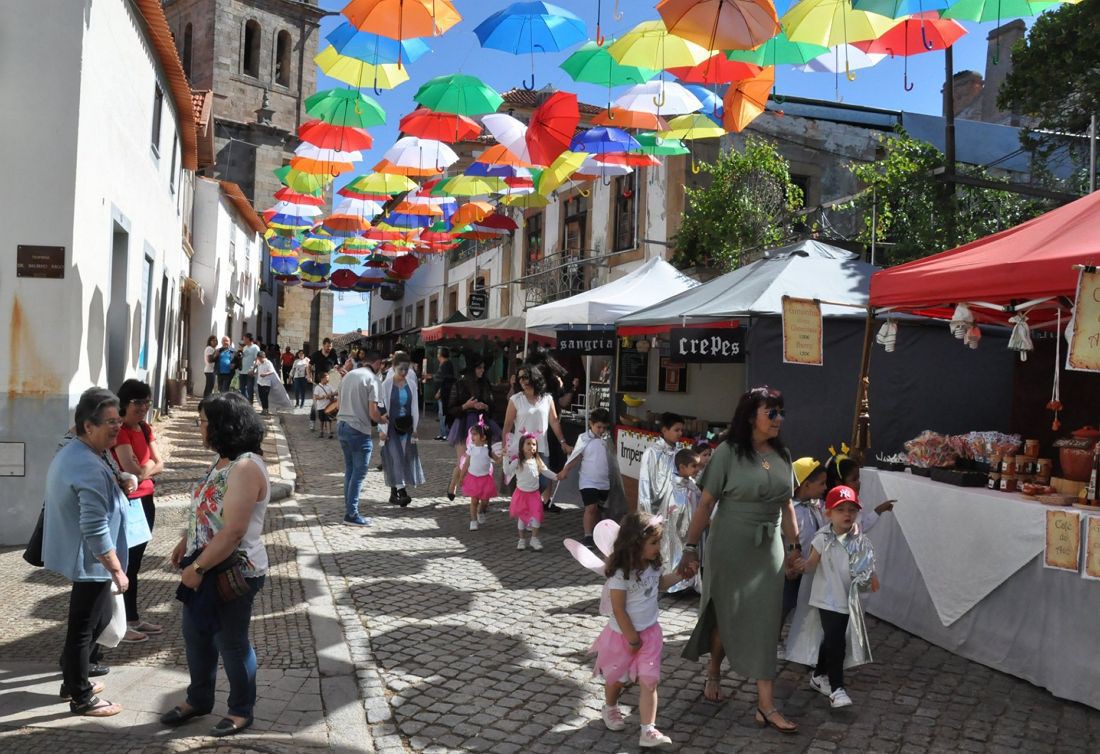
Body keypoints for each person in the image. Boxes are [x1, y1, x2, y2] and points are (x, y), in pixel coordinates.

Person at [677, 386, 801, 733]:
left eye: (780, 412)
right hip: (730, 543)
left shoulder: (783, 454)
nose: (778, 419)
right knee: (725, 611)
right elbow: (705, 504)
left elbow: (788, 505)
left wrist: (794, 549)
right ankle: (714, 668)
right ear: (751, 417)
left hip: (768, 548)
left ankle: (765, 705)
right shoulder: (727, 453)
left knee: (766, 621)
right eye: (771, 413)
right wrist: (689, 547)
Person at [161, 392, 269, 738]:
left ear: (223, 425)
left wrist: (199, 568)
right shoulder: (224, 460)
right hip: (206, 560)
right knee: (196, 635)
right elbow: (208, 511)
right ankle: (199, 699)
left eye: (203, 422)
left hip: (232, 569)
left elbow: (234, 531)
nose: (199, 428)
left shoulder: (246, 467)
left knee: (231, 643)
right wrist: (185, 541)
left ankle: (240, 710)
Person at [44, 388, 130, 717]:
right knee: (84, 628)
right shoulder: (88, 464)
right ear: (88, 425)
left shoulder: (80, 452)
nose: (116, 427)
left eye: (118, 420)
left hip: (87, 557)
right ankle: (80, 695)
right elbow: (94, 527)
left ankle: (73, 678)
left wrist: (119, 480)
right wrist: (116, 570)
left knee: (95, 620)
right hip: (92, 559)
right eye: (110, 421)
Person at [591, 512, 683, 749]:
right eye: (653, 543)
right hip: (623, 635)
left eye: (658, 542)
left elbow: (659, 585)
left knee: (649, 681)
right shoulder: (621, 573)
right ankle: (610, 707)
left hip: (650, 634)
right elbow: (619, 609)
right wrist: (632, 637)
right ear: (635, 544)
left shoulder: (652, 566)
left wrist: (680, 575)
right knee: (617, 679)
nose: (657, 547)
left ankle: (647, 730)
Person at [788, 485, 879, 709]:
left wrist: (871, 576)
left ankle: (819, 675)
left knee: (832, 639)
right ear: (828, 513)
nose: (847, 515)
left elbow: (865, 564)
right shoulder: (822, 538)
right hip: (826, 599)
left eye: (852, 510)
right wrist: (802, 566)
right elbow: (811, 564)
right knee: (836, 642)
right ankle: (837, 689)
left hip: (847, 598)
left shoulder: (859, 539)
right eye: (841, 510)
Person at [111, 379, 165, 643]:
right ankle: (120, 624)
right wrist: (146, 469)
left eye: (146, 401)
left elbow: (160, 462)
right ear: (124, 403)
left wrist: (143, 471)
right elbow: (130, 469)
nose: (143, 407)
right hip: (128, 503)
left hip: (146, 501)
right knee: (125, 564)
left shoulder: (145, 428)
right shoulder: (119, 431)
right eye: (137, 402)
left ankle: (132, 618)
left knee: (136, 564)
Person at [501, 364, 572, 510]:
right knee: (524, 480)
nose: (522, 381)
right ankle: (526, 508)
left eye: (525, 377)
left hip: (540, 446)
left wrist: (563, 441)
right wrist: (504, 446)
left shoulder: (547, 398)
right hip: (521, 448)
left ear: (534, 377)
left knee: (544, 481)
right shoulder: (516, 399)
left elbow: (553, 421)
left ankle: (526, 503)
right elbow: (507, 425)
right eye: (520, 378)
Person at [779, 457, 828, 655]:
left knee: (802, 604)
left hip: (808, 567)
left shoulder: (814, 507)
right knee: (784, 604)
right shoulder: (790, 511)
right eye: (821, 483)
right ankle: (773, 638)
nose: (825, 488)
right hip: (790, 568)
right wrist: (786, 564)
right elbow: (781, 539)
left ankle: (800, 641)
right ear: (806, 484)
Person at [336, 350, 385, 527]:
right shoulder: (373, 380)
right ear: (377, 363)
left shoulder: (348, 376)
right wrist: (382, 419)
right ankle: (352, 514)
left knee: (350, 470)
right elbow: (373, 413)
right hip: (358, 429)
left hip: (341, 425)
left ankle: (349, 509)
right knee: (358, 473)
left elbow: (339, 404)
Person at [558, 408, 613, 547]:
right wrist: (565, 470)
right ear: (591, 424)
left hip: (604, 481)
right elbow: (576, 457)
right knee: (591, 508)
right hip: (587, 480)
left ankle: (598, 534)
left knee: (599, 510)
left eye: (604, 427)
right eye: (598, 427)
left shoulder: (608, 440)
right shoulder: (584, 438)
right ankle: (588, 535)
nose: (601, 430)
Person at [445, 357, 497, 500]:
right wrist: (466, 406)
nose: (482, 370)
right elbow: (450, 409)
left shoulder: (485, 383)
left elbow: (492, 405)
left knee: (478, 458)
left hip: (481, 424)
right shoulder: (460, 384)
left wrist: (485, 406)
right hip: (463, 424)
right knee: (462, 460)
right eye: (479, 367)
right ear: (472, 369)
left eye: (483, 367)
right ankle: (453, 485)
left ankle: (476, 494)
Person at [378, 352, 425, 507]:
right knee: (396, 457)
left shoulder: (411, 384)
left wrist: (415, 427)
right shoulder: (386, 385)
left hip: (406, 427)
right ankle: (402, 491)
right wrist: (382, 430)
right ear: (393, 368)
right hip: (391, 426)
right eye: (401, 370)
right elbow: (381, 407)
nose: (404, 373)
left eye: (406, 369)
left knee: (402, 457)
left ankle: (393, 493)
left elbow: (414, 407)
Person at [506, 434, 557, 551]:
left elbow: (546, 471)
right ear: (522, 446)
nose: (531, 446)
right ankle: (522, 539)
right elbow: (507, 471)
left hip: (534, 495)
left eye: (534, 444)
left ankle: (534, 539)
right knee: (522, 518)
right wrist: (505, 459)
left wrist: (557, 477)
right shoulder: (518, 461)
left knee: (537, 516)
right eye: (528, 444)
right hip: (521, 494)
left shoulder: (537, 461)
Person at [825, 448, 895, 530]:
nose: (859, 482)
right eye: (854, 479)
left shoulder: (853, 502)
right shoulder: (832, 509)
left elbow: (861, 526)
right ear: (839, 483)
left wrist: (878, 510)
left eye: (858, 478)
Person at [665, 449, 702, 594]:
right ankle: (677, 584)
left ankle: (690, 581)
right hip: (677, 526)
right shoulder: (673, 484)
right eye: (694, 466)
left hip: (690, 524)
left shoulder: (691, 483)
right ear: (681, 467)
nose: (697, 469)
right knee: (677, 552)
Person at [455, 423, 500, 531]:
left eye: (475, 434)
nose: (472, 437)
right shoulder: (471, 449)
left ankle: (481, 511)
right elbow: (466, 464)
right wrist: (461, 477)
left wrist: (504, 455)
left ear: (483, 437)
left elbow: (498, 461)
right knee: (474, 501)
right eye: (472, 434)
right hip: (473, 478)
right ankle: (473, 520)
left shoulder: (488, 450)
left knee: (485, 502)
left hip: (485, 479)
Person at [638, 413, 683, 516]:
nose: (680, 433)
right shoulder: (651, 453)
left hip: (674, 508)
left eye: (681, 430)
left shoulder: (680, 453)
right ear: (664, 430)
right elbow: (645, 485)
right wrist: (646, 514)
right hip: (655, 510)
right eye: (676, 430)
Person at [308, 338, 338, 431]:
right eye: (327, 346)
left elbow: (336, 365)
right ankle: (312, 422)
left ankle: (327, 424)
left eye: (330, 346)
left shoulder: (333, 354)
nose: (329, 348)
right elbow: (309, 366)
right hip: (318, 383)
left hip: (330, 383)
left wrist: (337, 369)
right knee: (315, 404)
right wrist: (309, 376)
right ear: (323, 345)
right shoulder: (316, 355)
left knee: (330, 402)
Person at [430, 347, 456, 441]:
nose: (437, 355)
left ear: (441, 355)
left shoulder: (447, 364)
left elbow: (446, 381)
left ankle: (446, 433)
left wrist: (439, 392)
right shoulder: (443, 364)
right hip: (442, 394)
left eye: (438, 353)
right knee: (440, 414)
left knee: (443, 413)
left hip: (444, 394)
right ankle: (442, 433)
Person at [237, 333, 261, 404]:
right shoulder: (244, 347)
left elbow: (257, 359)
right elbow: (242, 358)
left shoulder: (255, 347)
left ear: (248, 338)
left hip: (250, 371)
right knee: (242, 389)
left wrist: (253, 369)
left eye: (244, 338)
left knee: (249, 389)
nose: (243, 340)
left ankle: (250, 403)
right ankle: (244, 403)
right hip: (242, 371)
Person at [253, 351, 278, 415]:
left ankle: (266, 410)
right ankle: (263, 409)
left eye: (261, 358)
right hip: (260, 382)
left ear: (263, 357)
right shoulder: (258, 362)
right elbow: (255, 371)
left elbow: (272, 371)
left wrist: (265, 374)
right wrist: (254, 368)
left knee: (265, 397)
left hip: (266, 383)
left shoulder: (268, 363)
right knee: (261, 396)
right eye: (259, 358)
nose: (260, 360)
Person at [313, 371, 337, 438]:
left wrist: (331, 396)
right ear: (322, 378)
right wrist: (323, 397)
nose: (328, 379)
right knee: (322, 420)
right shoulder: (317, 387)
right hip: (320, 407)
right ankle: (321, 432)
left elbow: (335, 393)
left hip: (328, 406)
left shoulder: (329, 386)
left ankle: (329, 433)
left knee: (328, 420)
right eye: (327, 378)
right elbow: (316, 397)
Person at [202, 335, 218, 399]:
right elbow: (210, 360)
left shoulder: (211, 349)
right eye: (213, 341)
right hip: (210, 371)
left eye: (216, 340)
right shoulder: (209, 348)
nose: (215, 342)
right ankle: (206, 400)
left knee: (209, 387)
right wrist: (216, 355)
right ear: (210, 341)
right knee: (209, 387)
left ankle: (206, 400)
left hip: (210, 370)